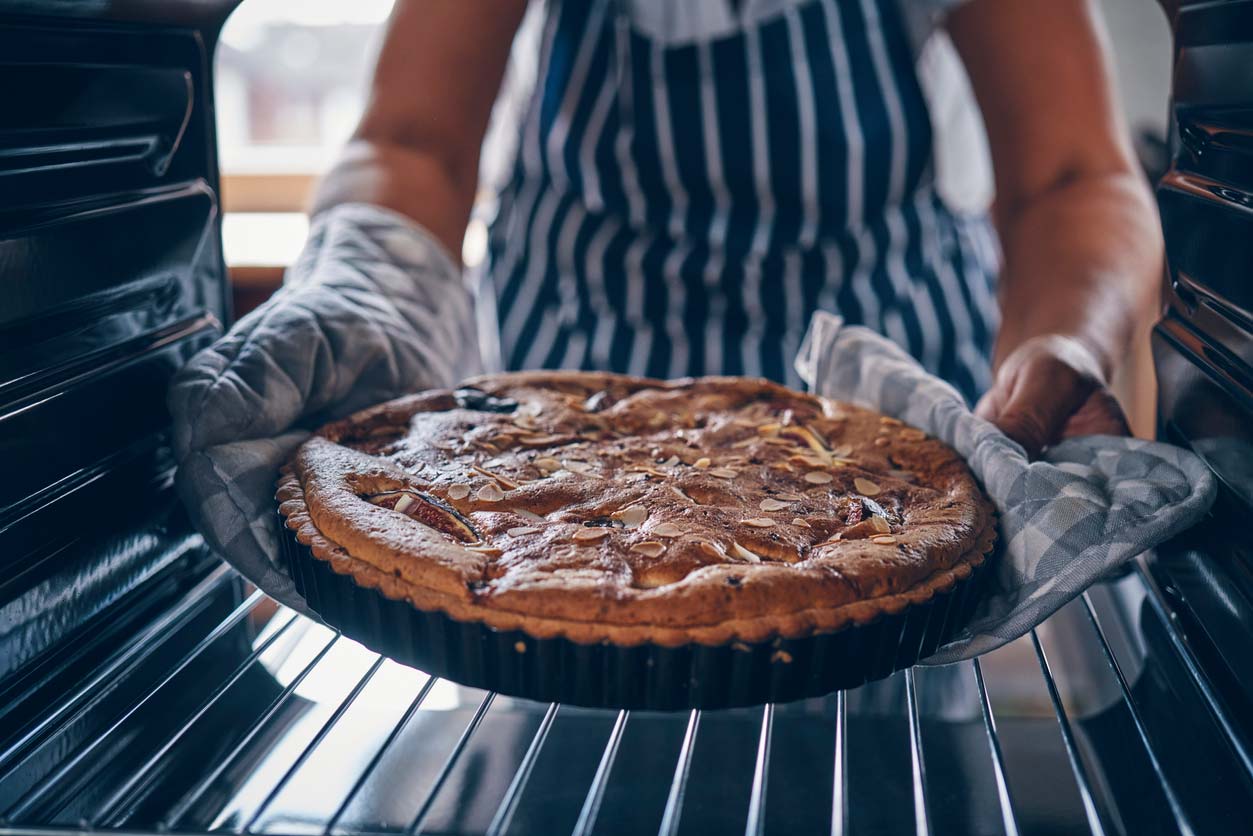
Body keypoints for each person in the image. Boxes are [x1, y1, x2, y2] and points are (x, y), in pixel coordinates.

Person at [169, 0, 1161, 601]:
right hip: (554, 487)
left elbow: (1069, 175)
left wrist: (1062, 338)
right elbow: (415, 144)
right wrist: (360, 289)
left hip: (878, 458)